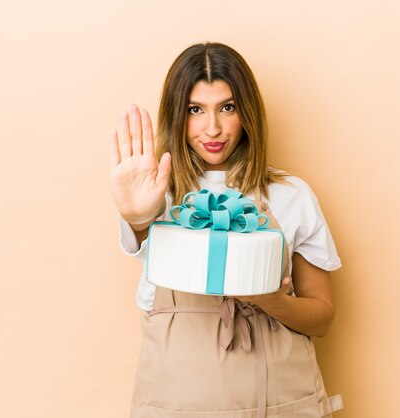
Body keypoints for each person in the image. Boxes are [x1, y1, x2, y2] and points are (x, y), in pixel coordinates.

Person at [110, 42, 343, 418]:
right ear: (176, 115)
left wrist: (273, 302)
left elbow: (323, 316)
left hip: (280, 402)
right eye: (195, 110)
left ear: (247, 112)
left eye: (227, 107)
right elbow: (139, 233)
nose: (212, 127)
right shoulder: (156, 194)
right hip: (176, 404)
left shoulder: (291, 195)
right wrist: (138, 217)